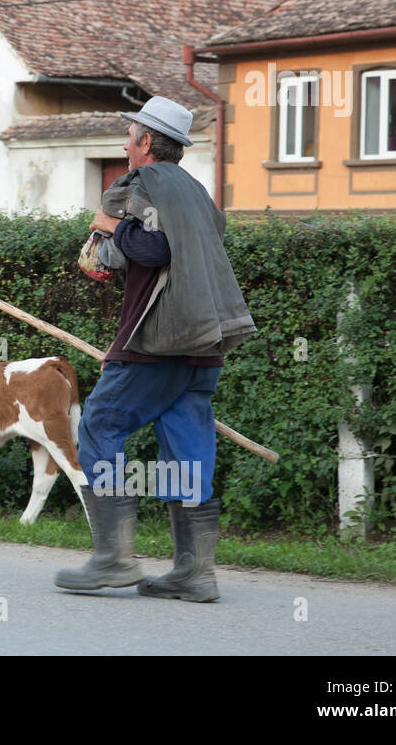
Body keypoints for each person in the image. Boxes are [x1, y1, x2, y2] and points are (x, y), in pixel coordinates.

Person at [54, 95, 256, 602]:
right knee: (187, 455)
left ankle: (114, 559)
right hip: (203, 347)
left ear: (146, 141)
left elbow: (153, 248)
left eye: (130, 135)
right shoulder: (197, 192)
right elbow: (172, 251)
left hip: (158, 344)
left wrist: (107, 230)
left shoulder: (143, 183)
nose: (125, 144)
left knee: (100, 424)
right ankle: (195, 573)